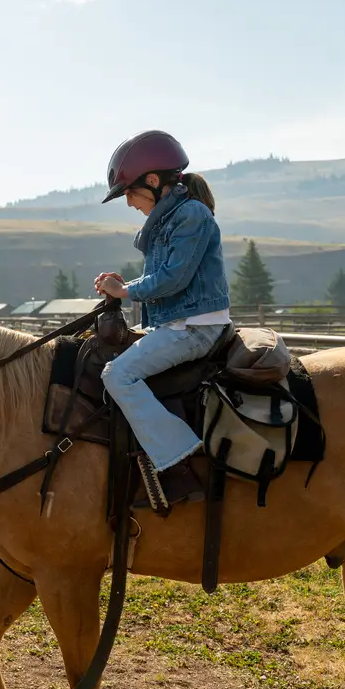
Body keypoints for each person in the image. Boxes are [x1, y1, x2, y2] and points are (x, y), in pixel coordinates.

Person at [94, 130, 231, 507]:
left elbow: (173, 277)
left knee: (117, 374)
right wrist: (125, 288)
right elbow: (167, 278)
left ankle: (179, 462)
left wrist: (126, 291)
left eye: (130, 194)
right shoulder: (175, 216)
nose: (129, 204)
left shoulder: (191, 216)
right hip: (179, 324)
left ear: (153, 182)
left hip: (195, 329)